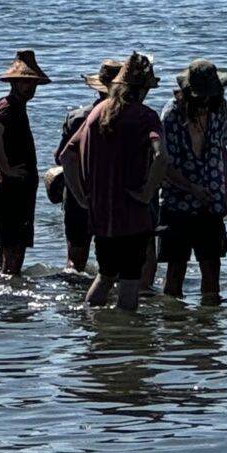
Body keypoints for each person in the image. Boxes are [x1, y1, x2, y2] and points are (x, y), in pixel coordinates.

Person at [58, 52, 164, 312]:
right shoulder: (145, 116)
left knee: (105, 276)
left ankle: (92, 334)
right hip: (133, 216)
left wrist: (82, 196)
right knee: (129, 282)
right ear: (142, 90)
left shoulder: (97, 113)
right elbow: (162, 157)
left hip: (102, 214)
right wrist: (147, 192)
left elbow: (66, 157)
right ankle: (123, 341)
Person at [157, 59, 227, 304]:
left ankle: (210, 332)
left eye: (209, 98)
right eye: (200, 99)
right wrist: (191, 188)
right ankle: (174, 328)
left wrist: (226, 193)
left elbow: (223, 151)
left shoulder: (220, 109)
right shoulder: (171, 114)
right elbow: (164, 166)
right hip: (176, 203)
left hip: (211, 203)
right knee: (175, 273)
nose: (205, 104)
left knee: (212, 271)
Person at [48, 59, 120, 274]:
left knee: (75, 257)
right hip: (111, 193)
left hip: (77, 189)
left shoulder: (76, 117)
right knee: (112, 256)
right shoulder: (127, 117)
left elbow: (60, 156)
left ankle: (73, 299)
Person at [0, 49, 50, 277]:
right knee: (15, 250)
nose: (30, 88)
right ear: (14, 82)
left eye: (32, 83)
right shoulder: (8, 105)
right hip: (11, 187)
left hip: (12, 187)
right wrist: (7, 169)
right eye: (25, 82)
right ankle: (12, 302)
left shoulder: (15, 106)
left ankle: (5, 300)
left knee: (9, 247)